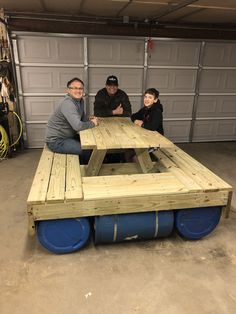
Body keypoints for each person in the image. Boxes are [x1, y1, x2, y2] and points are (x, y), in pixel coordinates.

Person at [45, 77, 98, 163]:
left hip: (68, 137)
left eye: (80, 88)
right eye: (74, 88)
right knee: (87, 151)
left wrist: (89, 118)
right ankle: (84, 172)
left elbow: (82, 118)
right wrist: (93, 123)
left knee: (93, 144)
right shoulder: (67, 103)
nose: (78, 91)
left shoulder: (80, 101)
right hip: (57, 141)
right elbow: (77, 126)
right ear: (68, 90)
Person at [126, 88, 164, 162]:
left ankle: (145, 170)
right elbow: (133, 116)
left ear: (155, 100)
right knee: (128, 151)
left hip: (155, 141)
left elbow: (152, 127)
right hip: (146, 137)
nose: (147, 99)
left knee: (135, 157)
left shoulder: (157, 111)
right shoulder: (145, 108)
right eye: (145, 97)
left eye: (150, 97)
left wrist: (142, 124)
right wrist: (136, 121)